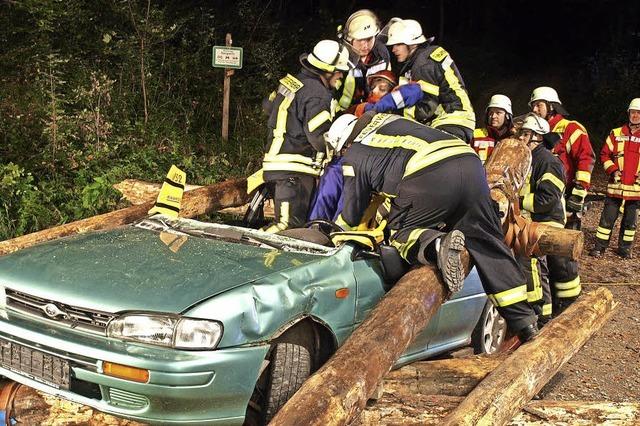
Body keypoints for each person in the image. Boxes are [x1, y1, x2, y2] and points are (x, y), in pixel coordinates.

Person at [326, 112, 539, 342]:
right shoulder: (385, 121)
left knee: (399, 233)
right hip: (470, 163)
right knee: (486, 240)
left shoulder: (355, 153)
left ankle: (438, 246)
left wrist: (334, 234)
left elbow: (353, 208)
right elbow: (379, 195)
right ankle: (525, 322)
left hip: (430, 172)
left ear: (345, 143)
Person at [261, 40, 349, 233]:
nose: (341, 75)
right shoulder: (318, 94)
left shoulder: (291, 81)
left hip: (274, 163)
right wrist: (342, 149)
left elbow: (267, 108)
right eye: (339, 70)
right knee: (287, 229)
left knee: (288, 226)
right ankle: (249, 255)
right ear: (327, 70)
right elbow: (319, 138)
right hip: (294, 170)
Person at [529, 86, 594, 312]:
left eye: (539, 105)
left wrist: (577, 197)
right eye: (533, 106)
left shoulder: (571, 128)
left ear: (552, 106)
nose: (535, 109)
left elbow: (585, 160)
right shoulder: (536, 130)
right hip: (547, 200)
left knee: (564, 256)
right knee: (546, 257)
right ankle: (553, 300)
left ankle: (569, 303)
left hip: (564, 198)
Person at [385, 19, 475, 142]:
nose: (393, 49)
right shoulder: (424, 59)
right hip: (458, 121)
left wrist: (394, 112)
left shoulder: (423, 64)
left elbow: (426, 109)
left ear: (412, 43)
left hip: (449, 122)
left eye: (398, 44)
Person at [517, 115, 566, 324]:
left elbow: (547, 199)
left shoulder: (548, 161)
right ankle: (538, 311)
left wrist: (517, 202)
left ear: (537, 137)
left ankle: (540, 314)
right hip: (531, 220)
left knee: (532, 263)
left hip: (547, 220)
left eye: (526, 134)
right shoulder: (528, 158)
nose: (521, 138)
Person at [590, 98, 640, 259]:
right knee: (606, 221)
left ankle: (625, 249)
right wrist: (613, 170)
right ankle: (599, 248)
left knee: (630, 224)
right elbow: (605, 155)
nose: (635, 116)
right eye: (633, 112)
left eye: (639, 113)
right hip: (615, 187)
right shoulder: (616, 133)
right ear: (628, 113)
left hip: (636, 190)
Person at [336, 10, 392, 111]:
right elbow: (331, 89)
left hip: (373, 110)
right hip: (343, 111)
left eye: (369, 39)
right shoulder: (341, 57)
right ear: (349, 39)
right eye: (360, 40)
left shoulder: (382, 54)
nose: (365, 46)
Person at [472, 94, 515, 164]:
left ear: (507, 116)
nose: (493, 116)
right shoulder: (475, 135)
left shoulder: (514, 139)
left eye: (498, 113)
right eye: (491, 113)